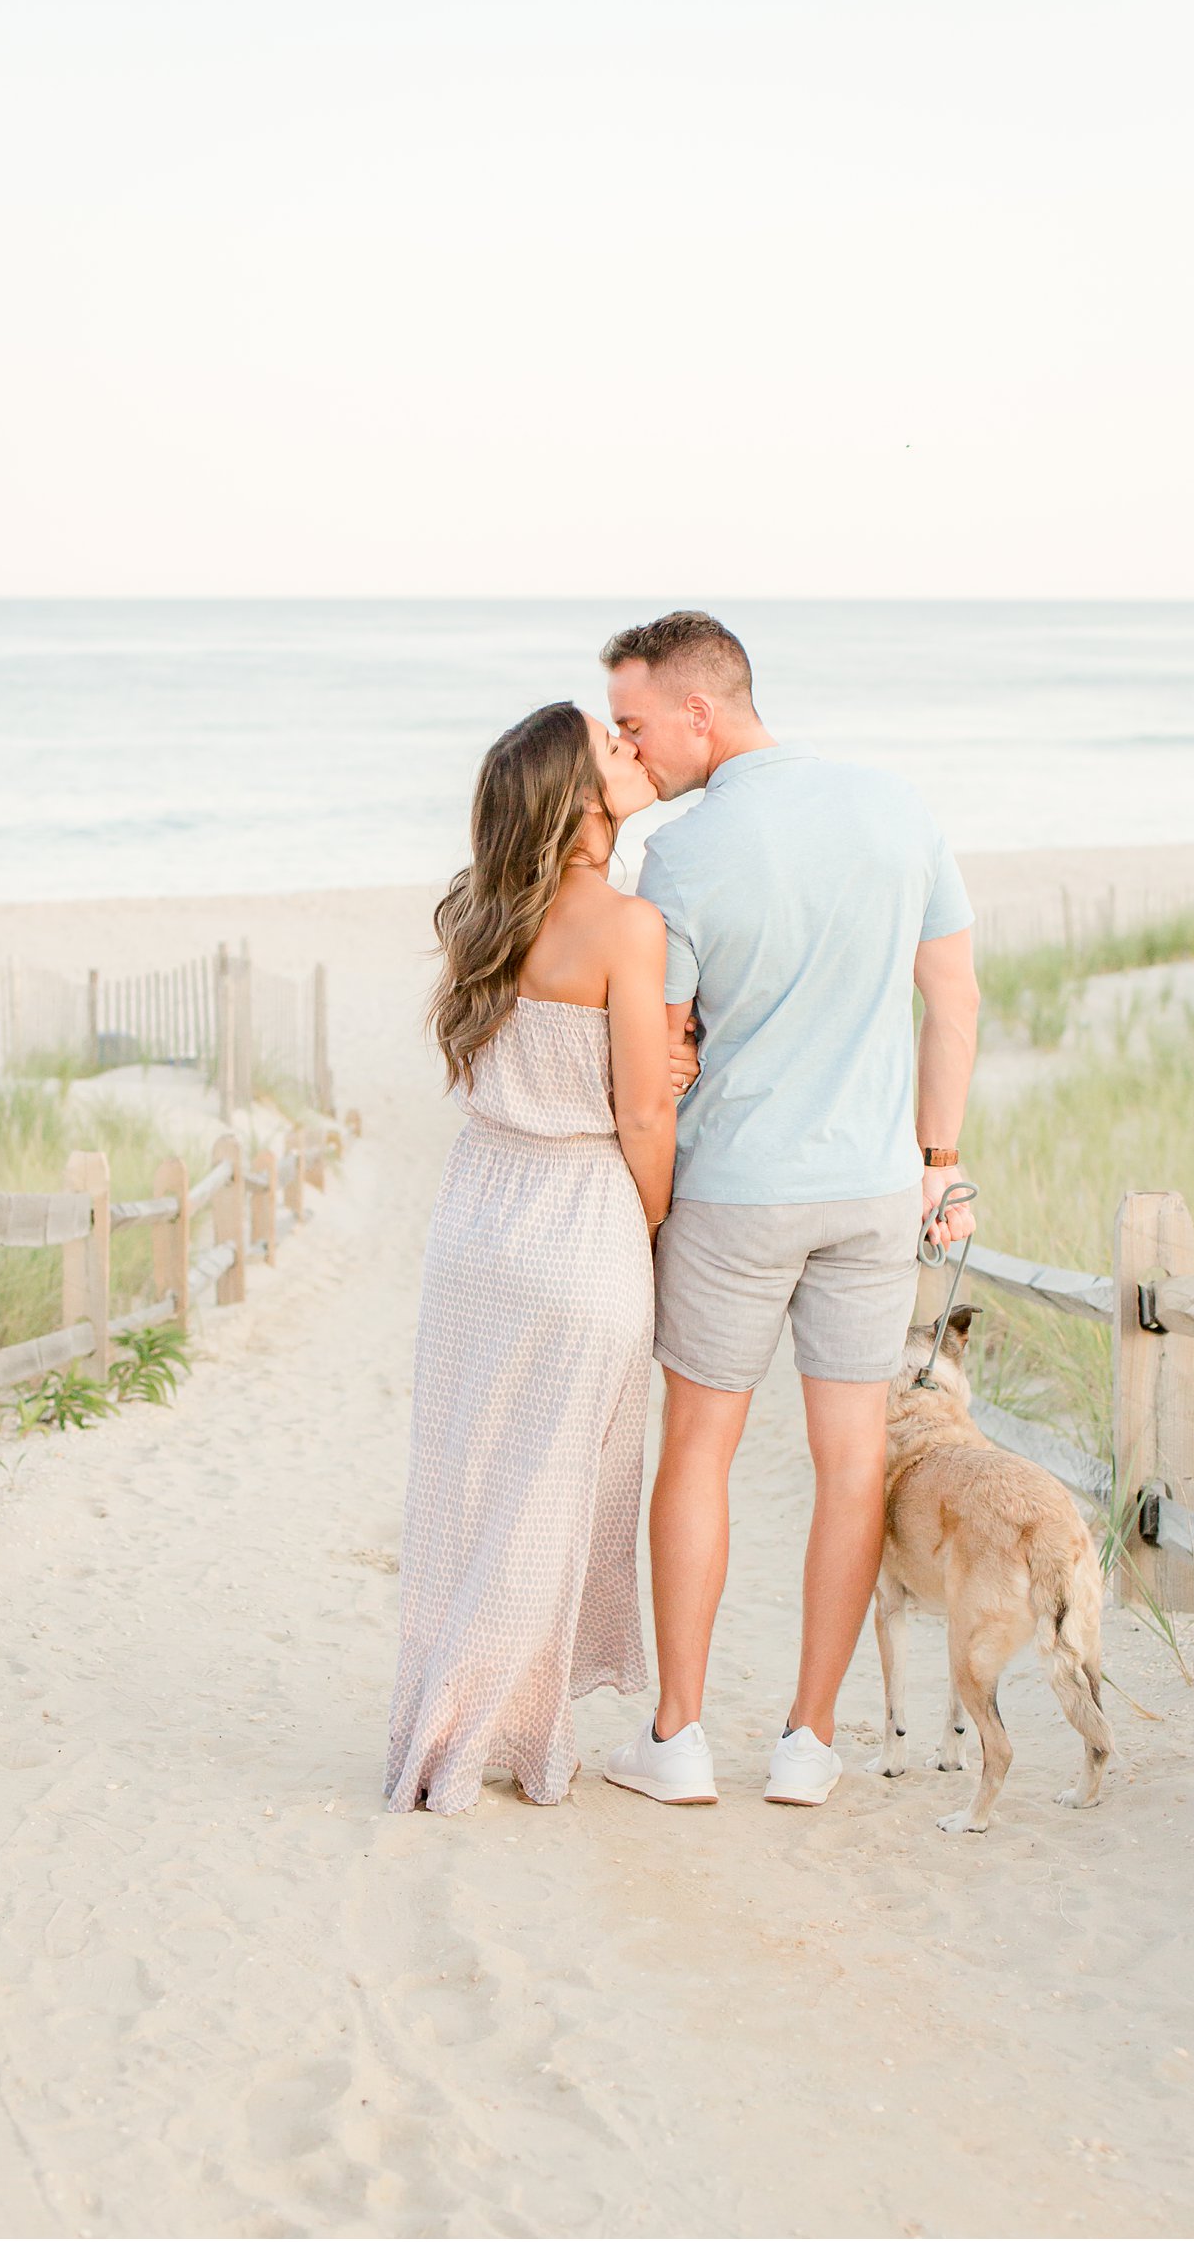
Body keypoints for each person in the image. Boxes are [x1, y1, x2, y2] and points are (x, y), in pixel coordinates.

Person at [601, 611, 979, 1810]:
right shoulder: (895, 808)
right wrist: (937, 1158)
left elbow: (661, 1051)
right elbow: (952, 999)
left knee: (698, 1451)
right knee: (850, 1461)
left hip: (731, 1194)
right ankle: (809, 1746)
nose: (632, 749)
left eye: (634, 722)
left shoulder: (681, 855)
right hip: (869, 1193)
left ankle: (678, 1739)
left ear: (699, 712)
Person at [385, 700, 676, 1814]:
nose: (627, 749)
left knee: (471, 1483)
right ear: (578, 799)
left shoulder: (473, 914)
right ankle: (490, 1733)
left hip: (473, 1224)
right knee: (552, 1497)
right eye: (607, 748)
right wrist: (643, 1228)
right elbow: (642, 1116)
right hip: (575, 1215)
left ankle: (448, 1722)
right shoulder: (623, 926)